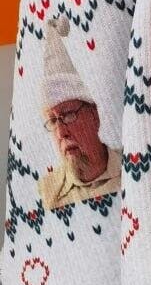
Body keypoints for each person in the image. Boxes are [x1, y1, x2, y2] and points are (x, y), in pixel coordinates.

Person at [38, 16, 120, 211]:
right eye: (53, 121)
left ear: (94, 116)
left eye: (68, 116)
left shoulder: (134, 167)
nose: (61, 133)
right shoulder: (47, 193)